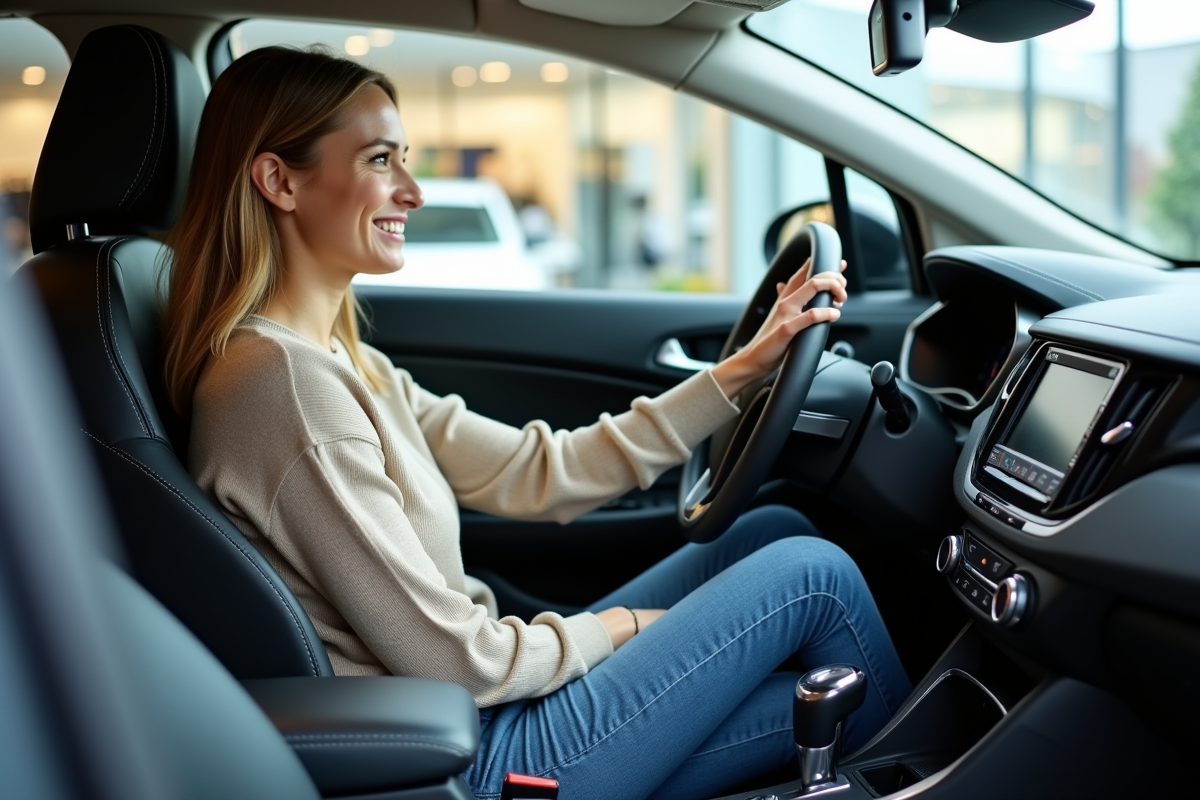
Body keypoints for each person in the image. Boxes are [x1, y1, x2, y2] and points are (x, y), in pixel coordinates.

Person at [163, 46, 911, 800]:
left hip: (488, 704)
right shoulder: (284, 388)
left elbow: (536, 473)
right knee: (814, 579)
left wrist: (740, 372)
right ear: (279, 181)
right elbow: (460, 664)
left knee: (771, 534)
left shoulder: (340, 361)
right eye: (381, 160)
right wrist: (624, 628)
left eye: (404, 160)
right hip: (476, 751)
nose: (413, 192)